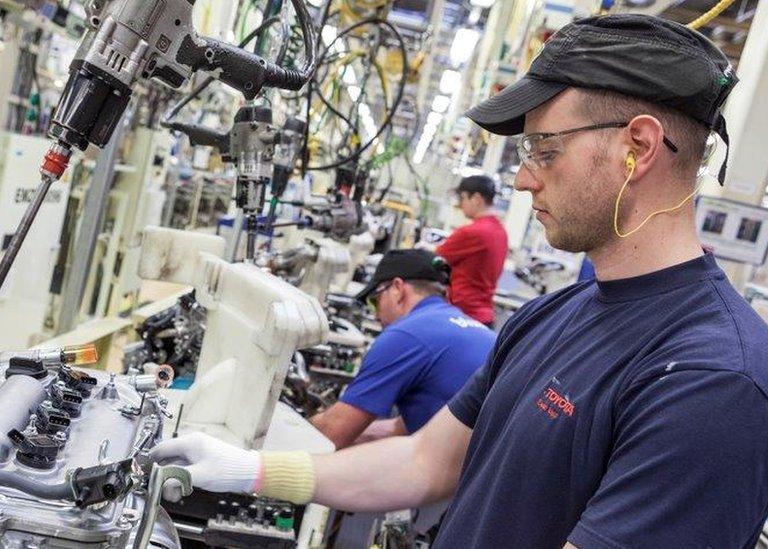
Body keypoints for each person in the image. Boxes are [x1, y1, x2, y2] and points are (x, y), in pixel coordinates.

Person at [153, 15, 768, 548]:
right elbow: (425, 462)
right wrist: (252, 471)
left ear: (639, 146)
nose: (524, 181)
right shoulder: (554, 314)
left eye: (544, 151)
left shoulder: (712, 382)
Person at [309, 249, 496, 449]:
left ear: (397, 288)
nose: (376, 315)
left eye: (375, 300)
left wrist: (295, 420)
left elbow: (331, 435)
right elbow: (404, 428)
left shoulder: (406, 334)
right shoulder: (464, 328)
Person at [435, 175, 509, 327]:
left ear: (476, 198)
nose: (461, 205)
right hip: (484, 317)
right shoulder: (500, 231)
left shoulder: (473, 232)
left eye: (462, 198)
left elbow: (434, 260)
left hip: (461, 315)